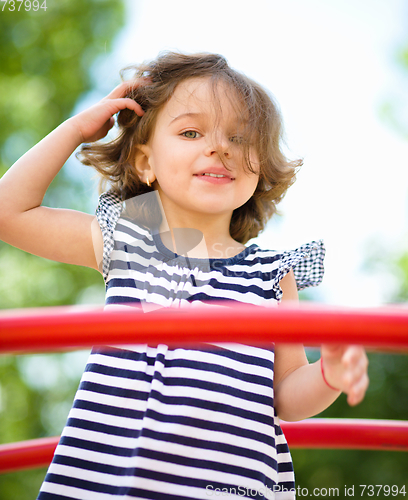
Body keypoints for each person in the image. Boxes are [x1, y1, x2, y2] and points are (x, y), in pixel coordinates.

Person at [0, 52, 368, 500]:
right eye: (192, 132)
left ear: (259, 169)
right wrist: (76, 130)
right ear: (144, 163)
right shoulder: (126, 242)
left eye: (239, 136)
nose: (219, 146)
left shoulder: (271, 274)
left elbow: (288, 396)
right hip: (103, 488)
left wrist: (329, 374)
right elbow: (9, 213)